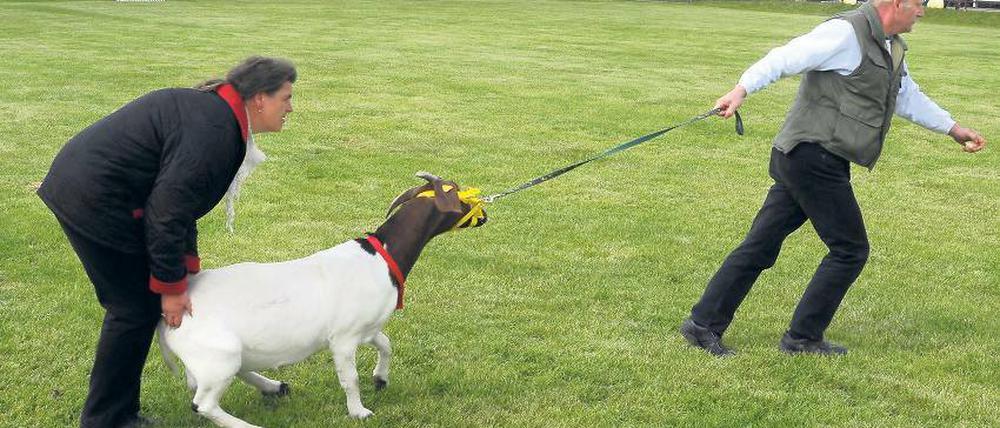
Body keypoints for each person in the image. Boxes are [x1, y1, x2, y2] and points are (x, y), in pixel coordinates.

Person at [679, 0, 986, 357]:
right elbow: (785, 57)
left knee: (761, 244)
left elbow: (905, 96)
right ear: (897, 3)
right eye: (918, 4)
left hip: (812, 158)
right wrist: (741, 90)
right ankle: (802, 338)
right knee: (850, 249)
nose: (922, 12)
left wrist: (953, 129)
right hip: (811, 157)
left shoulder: (890, 46)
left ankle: (702, 324)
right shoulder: (845, 33)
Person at [38, 56, 296, 427]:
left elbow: (179, 206)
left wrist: (184, 269)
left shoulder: (218, 117)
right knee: (133, 307)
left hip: (95, 188)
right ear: (259, 98)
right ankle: (107, 420)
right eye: (286, 97)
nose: (290, 107)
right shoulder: (215, 130)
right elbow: (167, 213)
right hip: (94, 197)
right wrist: (171, 287)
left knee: (138, 301)